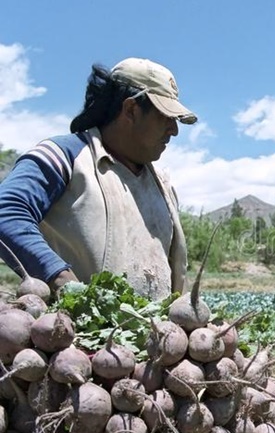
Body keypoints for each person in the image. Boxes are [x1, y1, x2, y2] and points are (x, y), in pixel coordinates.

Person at [0, 57, 197, 301]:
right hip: (75, 336)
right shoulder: (65, 156)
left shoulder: (163, 186)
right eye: (165, 117)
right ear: (131, 110)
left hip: (158, 336)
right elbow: (7, 212)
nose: (174, 130)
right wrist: (59, 278)